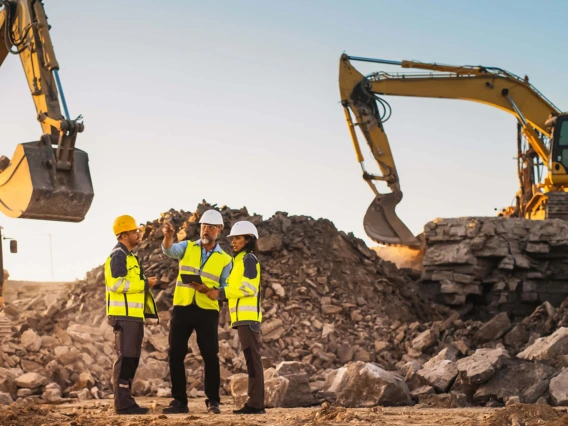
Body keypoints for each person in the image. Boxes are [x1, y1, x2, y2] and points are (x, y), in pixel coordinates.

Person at [161, 209, 232, 415]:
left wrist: (211, 291)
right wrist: (167, 238)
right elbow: (169, 251)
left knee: (210, 356)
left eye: (210, 227)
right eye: (203, 226)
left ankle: (213, 401)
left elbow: (226, 287)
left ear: (219, 229)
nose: (205, 230)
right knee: (176, 354)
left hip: (207, 311)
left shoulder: (226, 259)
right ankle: (179, 402)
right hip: (182, 307)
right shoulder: (187, 247)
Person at [192, 221, 265, 415]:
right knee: (251, 359)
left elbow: (249, 287)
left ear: (248, 239)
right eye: (232, 239)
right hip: (242, 318)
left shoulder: (249, 259)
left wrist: (221, 292)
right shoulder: (239, 261)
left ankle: (256, 404)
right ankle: (255, 402)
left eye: (238, 238)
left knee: (253, 359)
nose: (233, 242)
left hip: (248, 318)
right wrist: (215, 291)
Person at [105, 215, 159, 415]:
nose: (138, 234)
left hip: (133, 316)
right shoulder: (118, 255)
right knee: (125, 358)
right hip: (124, 316)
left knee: (132, 358)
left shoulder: (129, 257)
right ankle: (123, 404)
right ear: (125, 234)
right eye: (135, 231)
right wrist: (145, 284)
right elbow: (117, 284)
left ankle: (126, 401)